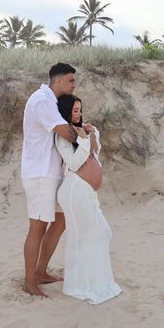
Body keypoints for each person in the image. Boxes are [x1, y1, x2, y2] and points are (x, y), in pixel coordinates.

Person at [55, 94, 122, 305]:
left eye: (80, 110)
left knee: (101, 233)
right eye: (75, 110)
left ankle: (93, 282)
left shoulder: (81, 130)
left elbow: (95, 153)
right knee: (84, 237)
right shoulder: (62, 136)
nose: (79, 114)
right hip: (74, 191)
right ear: (66, 112)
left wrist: (93, 134)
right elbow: (74, 163)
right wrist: (83, 138)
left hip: (87, 193)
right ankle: (79, 286)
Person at [21, 63, 78, 297]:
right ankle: (29, 281)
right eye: (71, 81)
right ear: (59, 81)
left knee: (61, 222)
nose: (74, 85)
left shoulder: (51, 102)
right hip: (40, 174)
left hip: (52, 174)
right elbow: (66, 132)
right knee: (37, 228)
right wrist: (84, 132)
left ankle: (41, 272)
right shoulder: (42, 101)